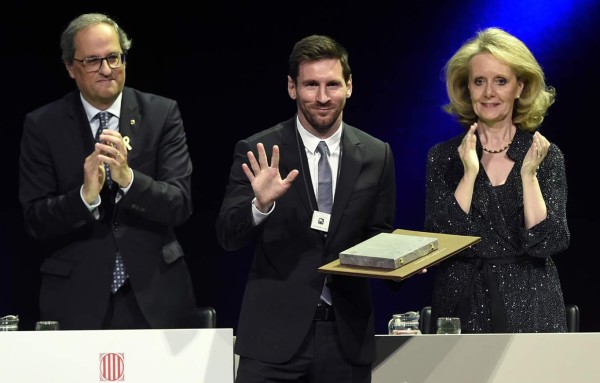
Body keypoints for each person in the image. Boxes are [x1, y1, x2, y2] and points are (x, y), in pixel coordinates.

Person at [216, 35, 396, 382]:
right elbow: (227, 234)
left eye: (332, 84)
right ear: (292, 88)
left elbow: (378, 233)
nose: (323, 97)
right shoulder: (260, 149)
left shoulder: (377, 153)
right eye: (311, 85)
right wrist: (260, 205)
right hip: (272, 339)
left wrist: (402, 260)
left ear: (350, 86)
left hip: (345, 339)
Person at [18, 13, 198, 330]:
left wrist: (128, 180)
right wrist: (84, 197)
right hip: (76, 299)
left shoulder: (162, 113)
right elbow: (35, 221)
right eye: (92, 61)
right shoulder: (43, 125)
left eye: (114, 57)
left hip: (156, 297)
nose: (106, 69)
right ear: (70, 68)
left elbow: (179, 204)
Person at [424, 27, 569, 333]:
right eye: (479, 81)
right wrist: (469, 174)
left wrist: (528, 176)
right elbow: (442, 241)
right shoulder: (444, 157)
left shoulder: (545, 155)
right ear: (467, 88)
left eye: (500, 81)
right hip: (460, 306)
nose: (489, 92)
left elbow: (549, 241)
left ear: (520, 87)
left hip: (531, 306)